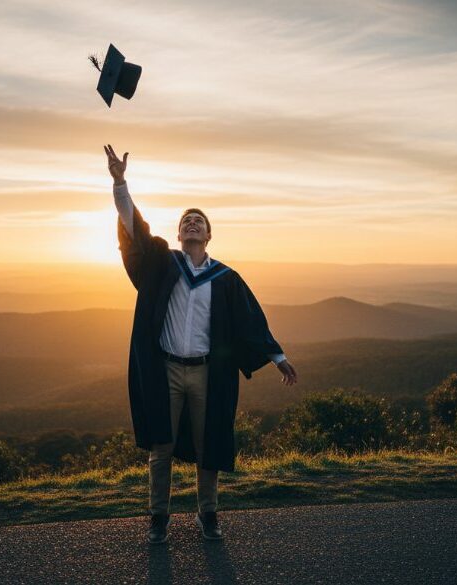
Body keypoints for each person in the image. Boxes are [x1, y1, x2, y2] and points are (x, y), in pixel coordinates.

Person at [104, 144, 298, 544]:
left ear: (209, 234)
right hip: (168, 371)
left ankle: (207, 514)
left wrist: (277, 356)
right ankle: (159, 517)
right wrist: (120, 183)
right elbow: (135, 228)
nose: (192, 224)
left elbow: (250, 320)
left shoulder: (225, 278)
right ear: (179, 233)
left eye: (199, 221)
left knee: (209, 445)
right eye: (186, 221)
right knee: (162, 446)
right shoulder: (163, 263)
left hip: (208, 373)